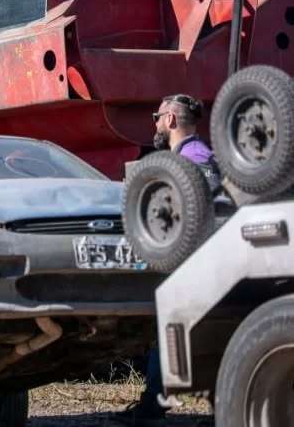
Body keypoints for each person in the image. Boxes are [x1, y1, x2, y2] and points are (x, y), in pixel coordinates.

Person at [117, 93, 220, 426]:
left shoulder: (191, 161)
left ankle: (157, 405)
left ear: (172, 120)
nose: (156, 124)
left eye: (157, 117)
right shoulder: (200, 155)